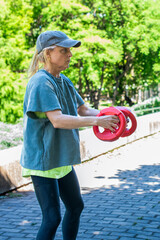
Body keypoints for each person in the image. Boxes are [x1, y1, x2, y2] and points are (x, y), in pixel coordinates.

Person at [20, 30, 119, 240]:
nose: (69, 55)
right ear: (48, 54)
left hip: (60, 157)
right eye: (64, 50)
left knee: (75, 207)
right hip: (43, 161)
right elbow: (58, 120)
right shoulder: (40, 82)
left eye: (69, 50)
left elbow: (83, 110)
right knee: (51, 217)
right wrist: (98, 121)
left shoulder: (63, 80)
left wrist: (113, 114)